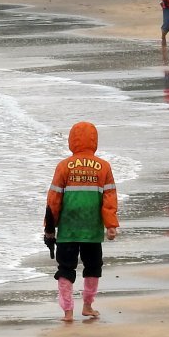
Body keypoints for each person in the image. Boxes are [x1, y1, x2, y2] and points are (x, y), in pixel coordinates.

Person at [43, 121, 120, 322]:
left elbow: (54, 200)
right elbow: (109, 199)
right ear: (94, 141)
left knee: (65, 268)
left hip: (68, 230)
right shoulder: (103, 167)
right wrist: (111, 225)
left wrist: (49, 229)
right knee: (93, 266)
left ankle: (68, 311)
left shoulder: (63, 166)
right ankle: (87, 306)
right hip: (92, 230)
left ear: (72, 141)